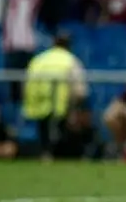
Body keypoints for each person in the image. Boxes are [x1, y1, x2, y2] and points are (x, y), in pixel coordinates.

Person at [23, 33, 88, 161]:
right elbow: (80, 90)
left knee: (44, 133)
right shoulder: (70, 60)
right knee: (60, 135)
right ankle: (58, 156)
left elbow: (27, 82)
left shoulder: (39, 60)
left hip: (39, 105)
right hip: (60, 106)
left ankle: (46, 155)